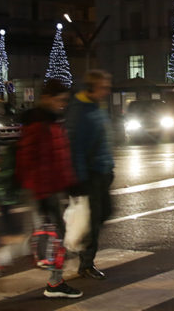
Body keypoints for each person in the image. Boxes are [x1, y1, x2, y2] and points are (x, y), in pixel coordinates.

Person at [18, 79, 82, 299]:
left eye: (65, 101)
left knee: (53, 238)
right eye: (60, 100)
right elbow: (32, 161)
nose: (62, 104)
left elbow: (59, 158)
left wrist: (71, 183)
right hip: (42, 191)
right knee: (51, 238)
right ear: (47, 98)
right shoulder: (38, 124)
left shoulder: (52, 121)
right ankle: (0, 262)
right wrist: (42, 195)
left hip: (50, 190)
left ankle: (55, 281)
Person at [65, 70, 114, 280]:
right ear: (92, 87)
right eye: (104, 87)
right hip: (92, 174)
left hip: (103, 171)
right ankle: (86, 263)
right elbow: (76, 148)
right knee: (93, 219)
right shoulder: (80, 111)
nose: (107, 90)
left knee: (105, 212)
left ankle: (82, 245)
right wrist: (81, 179)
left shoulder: (97, 106)